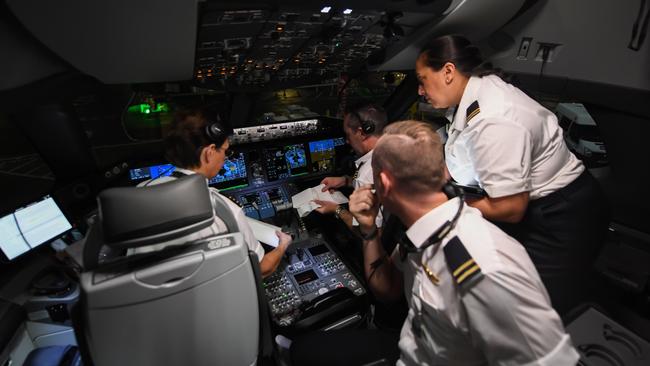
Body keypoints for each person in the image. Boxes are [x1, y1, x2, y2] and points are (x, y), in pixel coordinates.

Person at [347, 120, 578, 365]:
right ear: (444, 171)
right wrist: (369, 229)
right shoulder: (423, 230)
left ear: (383, 184)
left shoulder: (487, 270)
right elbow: (388, 289)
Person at [415, 34, 609, 314]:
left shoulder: (494, 117)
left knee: (534, 307)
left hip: (563, 216)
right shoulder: (472, 97)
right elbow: (466, 155)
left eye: (422, 79)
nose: (420, 91)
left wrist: (447, 204)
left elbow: (509, 208)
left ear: (447, 71)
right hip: (539, 205)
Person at [133, 109, 291, 278]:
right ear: (209, 153)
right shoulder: (225, 211)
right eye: (225, 151)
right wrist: (283, 244)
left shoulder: (141, 191)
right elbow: (262, 269)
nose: (225, 158)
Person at [314, 101, 387, 231]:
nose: (347, 141)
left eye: (348, 134)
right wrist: (345, 180)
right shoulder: (398, 148)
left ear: (361, 133)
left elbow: (372, 234)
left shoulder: (365, 175)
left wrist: (336, 209)